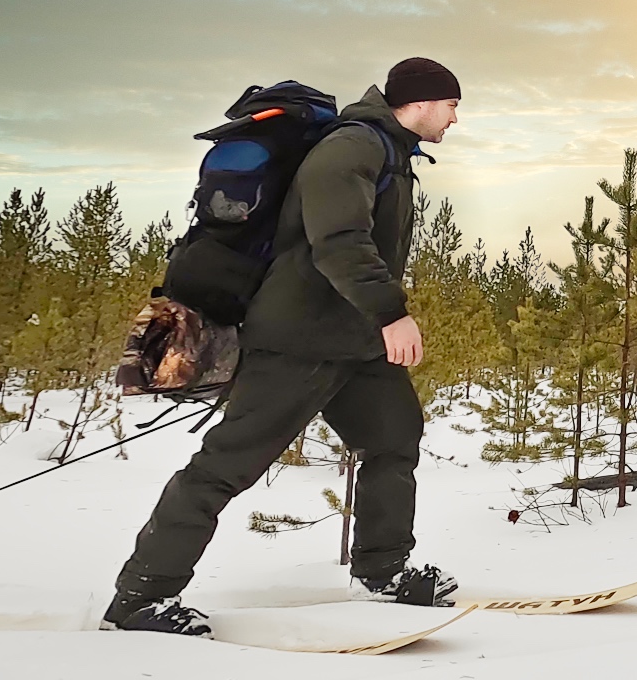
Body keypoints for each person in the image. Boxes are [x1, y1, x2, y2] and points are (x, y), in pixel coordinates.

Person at [103, 58, 463, 637]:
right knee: (224, 467)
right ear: (420, 102)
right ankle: (140, 600)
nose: (453, 120)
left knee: (394, 439)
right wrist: (391, 314)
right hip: (300, 339)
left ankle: (382, 572)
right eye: (451, 106)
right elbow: (338, 242)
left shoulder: (388, 154)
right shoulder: (353, 148)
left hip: (351, 341)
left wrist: (373, 324)